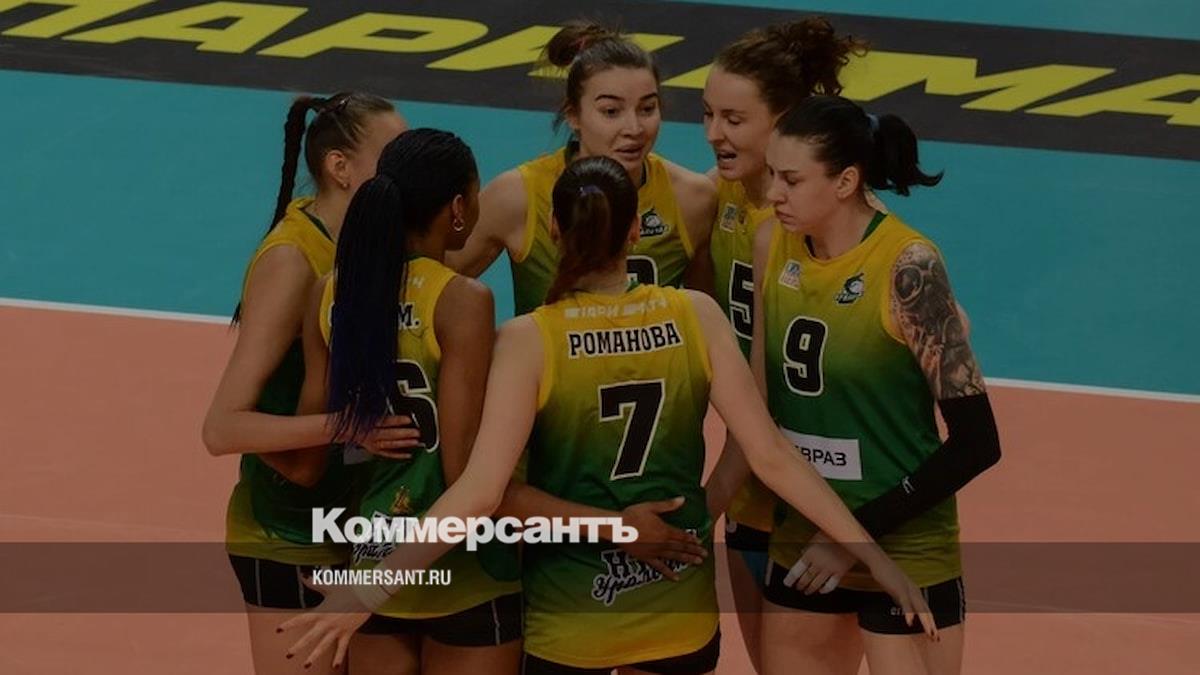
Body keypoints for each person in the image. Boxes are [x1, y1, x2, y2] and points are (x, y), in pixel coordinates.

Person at [278, 156, 936, 673]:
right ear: (633, 231)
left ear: (555, 232)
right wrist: (874, 557)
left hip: (570, 620)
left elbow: (480, 493)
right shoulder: (696, 315)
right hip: (677, 608)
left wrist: (365, 590)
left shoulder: (529, 339)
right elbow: (771, 456)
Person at [753, 96, 1001, 675]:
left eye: (791, 179)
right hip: (804, 537)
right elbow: (763, 407)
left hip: (905, 541)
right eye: (771, 175)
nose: (773, 193)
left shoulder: (909, 267)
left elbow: (977, 443)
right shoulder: (772, 244)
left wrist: (854, 537)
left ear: (845, 181)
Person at [296, 128, 522, 674]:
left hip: (372, 554)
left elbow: (312, 439)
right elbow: (461, 468)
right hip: (462, 568)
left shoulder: (330, 291)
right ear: (458, 209)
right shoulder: (462, 298)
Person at [201, 92, 412, 675]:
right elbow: (222, 428)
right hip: (287, 532)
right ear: (340, 168)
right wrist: (349, 428)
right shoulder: (292, 261)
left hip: (357, 524)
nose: (408, 167)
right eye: (394, 155)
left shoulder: (370, 242)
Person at [700, 18, 866, 671]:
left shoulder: (822, 222)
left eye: (735, 119)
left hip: (821, 492)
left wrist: (704, 505)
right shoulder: (721, 197)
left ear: (787, 122)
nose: (715, 133)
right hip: (754, 489)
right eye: (708, 114)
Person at [447, 21, 716, 313]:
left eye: (647, 108)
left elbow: (706, 318)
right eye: (611, 111)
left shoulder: (691, 200)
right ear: (573, 115)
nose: (634, 128)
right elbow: (433, 288)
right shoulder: (519, 197)